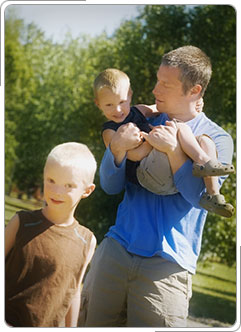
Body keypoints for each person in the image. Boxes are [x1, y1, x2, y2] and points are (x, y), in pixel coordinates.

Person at [79, 46, 234, 327]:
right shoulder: (140, 121)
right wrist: (116, 149)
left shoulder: (217, 139)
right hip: (115, 251)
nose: (154, 89)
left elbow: (199, 197)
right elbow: (111, 186)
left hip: (168, 267)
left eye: (165, 84)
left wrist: (175, 153)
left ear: (194, 90)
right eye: (157, 79)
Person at [94, 68, 234, 217]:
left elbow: (157, 108)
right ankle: (201, 160)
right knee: (177, 126)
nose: (118, 109)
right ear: (98, 104)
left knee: (205, 141)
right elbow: (134, 156)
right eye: (109, 105)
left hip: (167, 169)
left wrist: (194, 102)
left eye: (122, 102)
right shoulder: (110, 131)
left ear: (130, 95)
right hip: (147, 172)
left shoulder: (138, 110)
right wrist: (155, 140)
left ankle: (213, 192)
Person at [5, 142, 97, 327]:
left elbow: (74, 291)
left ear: (87, 190)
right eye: (51, 180)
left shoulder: (86, 241)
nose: (56, 191)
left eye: (68, 185)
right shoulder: (21, 222)